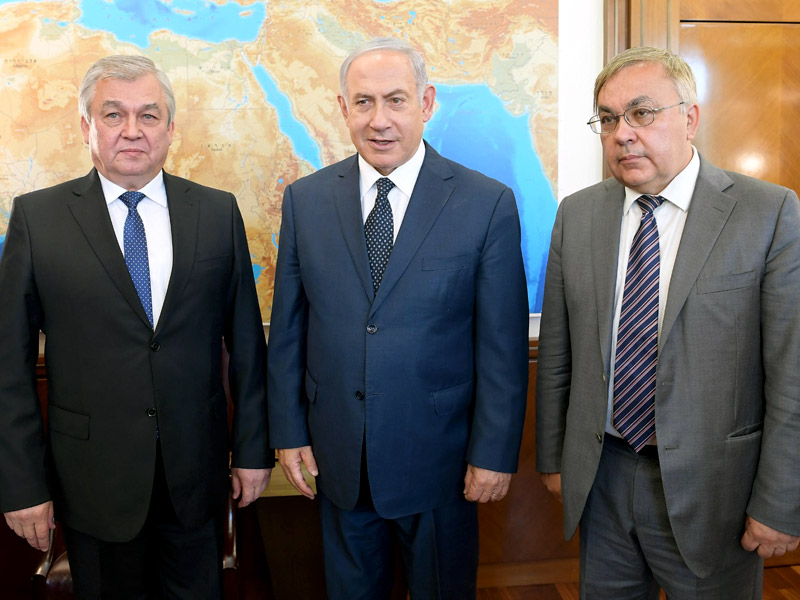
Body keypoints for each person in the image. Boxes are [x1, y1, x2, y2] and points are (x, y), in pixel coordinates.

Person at [0, 55, 272, 599]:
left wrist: (251, 451)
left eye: (149, 115)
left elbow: (246, 347)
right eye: (113, 114)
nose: (131, 130)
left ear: (170, 128)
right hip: (91, 483)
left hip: (196, 479)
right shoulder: (37, 219)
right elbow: (8, 365)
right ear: (86, 127)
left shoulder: (218, 213)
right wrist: (22, 485)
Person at [267, 37, 529, 599]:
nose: (379, 120)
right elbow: (289, 330)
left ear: (427, 103)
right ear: (342, 109)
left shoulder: (487, 203)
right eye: (363, 102)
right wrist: (288, 433)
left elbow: (502, 348)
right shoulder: (305, 201)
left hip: (442, 463)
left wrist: (492, 453)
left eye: (396, 100)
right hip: (339, 460)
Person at [536, 45, 800, 599]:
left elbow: (792, 372)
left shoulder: (769, 213)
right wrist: (556, 459)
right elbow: (559, 355)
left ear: (690, 117)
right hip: (603, 477)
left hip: (716, 492)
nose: (623, 133)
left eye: (642, 112)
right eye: (608, 119)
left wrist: (781, 500)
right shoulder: (577, 215)